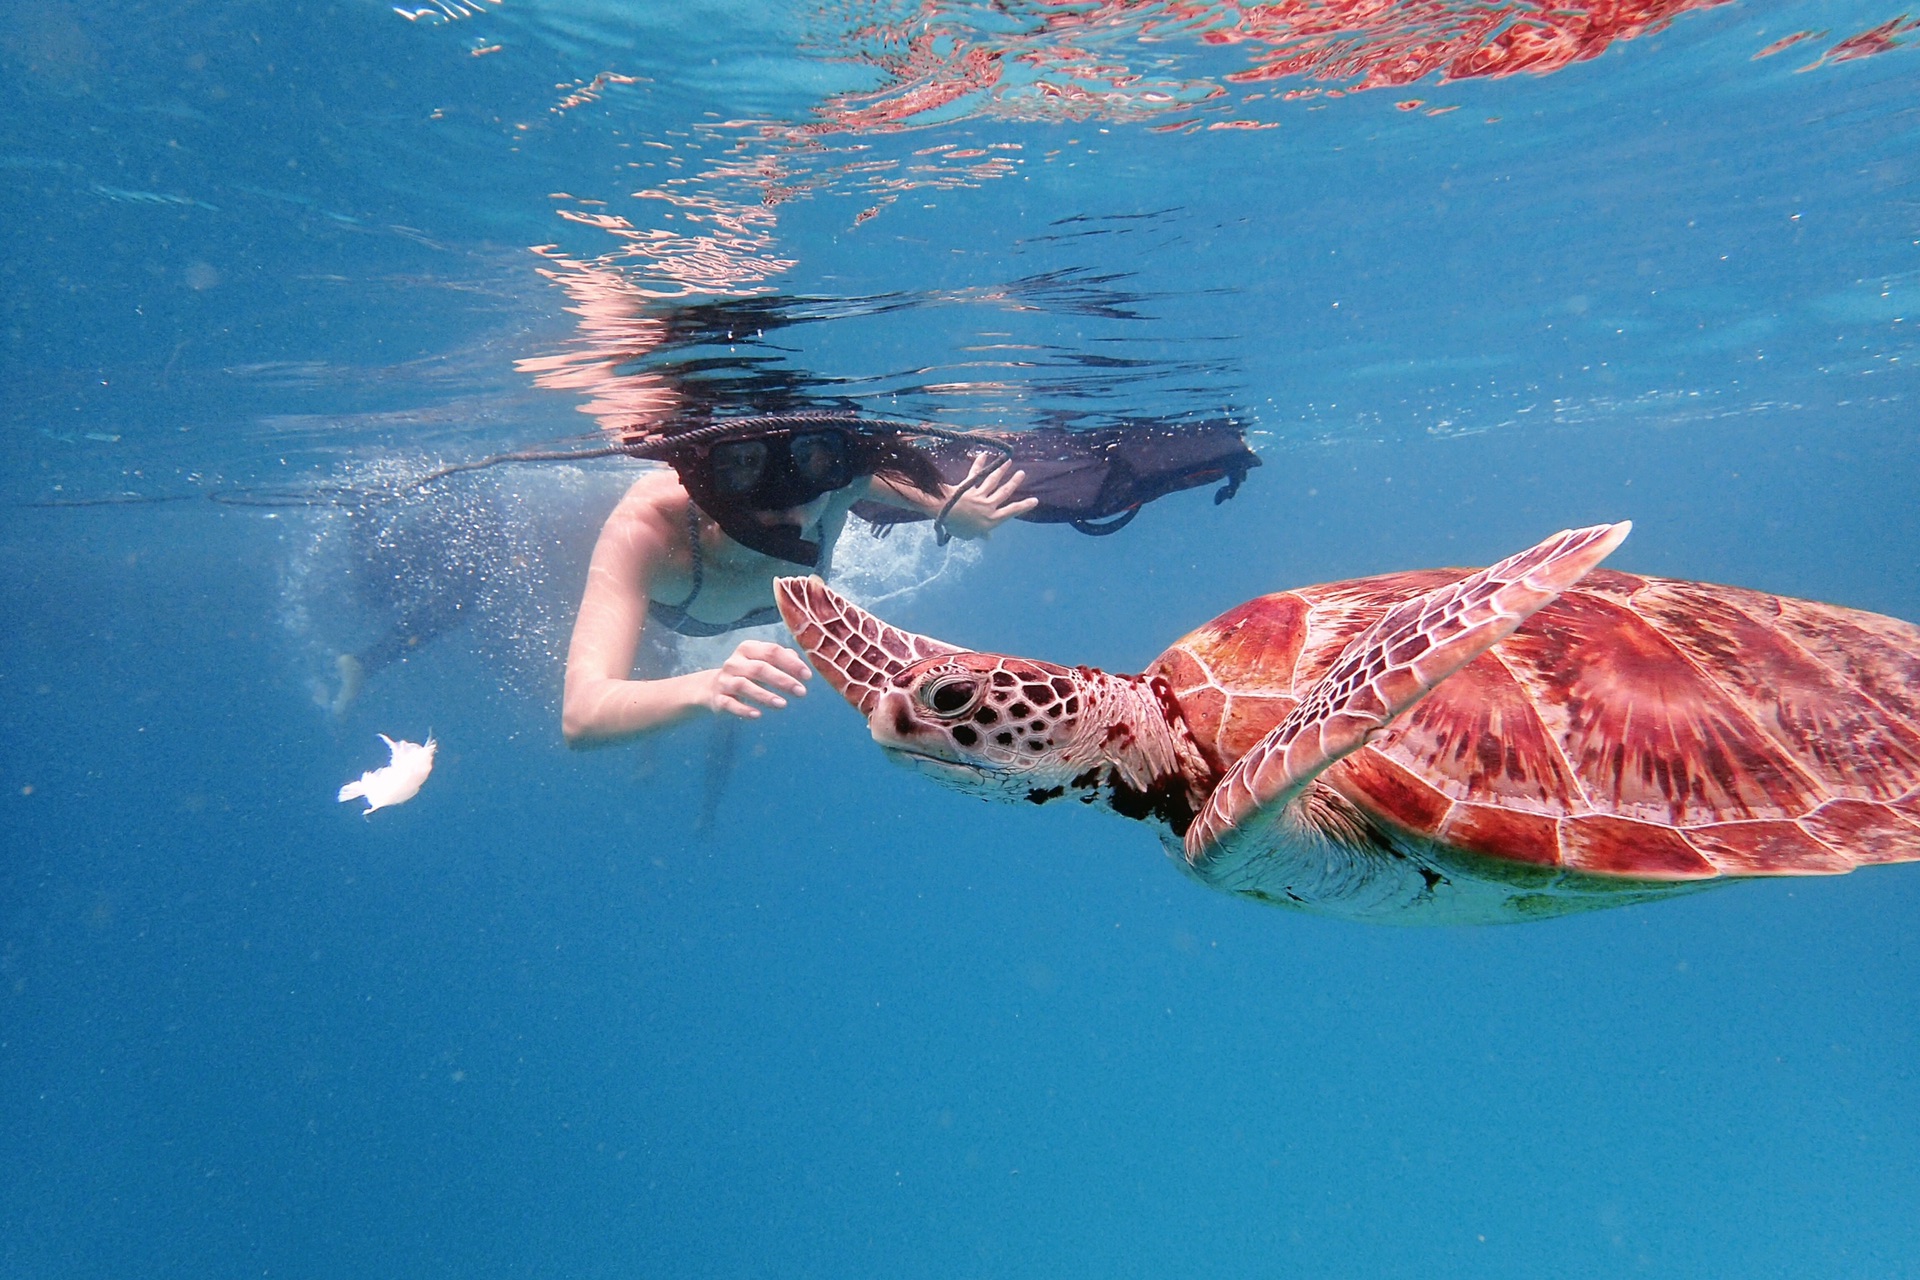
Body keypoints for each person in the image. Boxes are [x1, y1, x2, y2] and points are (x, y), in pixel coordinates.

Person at [561, 415, 1036, 745]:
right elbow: (583, 715)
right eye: (744, 465)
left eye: (813, 465)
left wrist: (949, 508)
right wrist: (704, 688)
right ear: (708, 482)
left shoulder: (837, 483)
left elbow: (868, 479)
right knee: (653, 678)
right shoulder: (646, 534)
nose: (794, 509)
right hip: (674, 625)